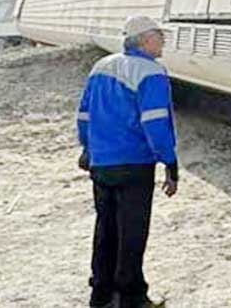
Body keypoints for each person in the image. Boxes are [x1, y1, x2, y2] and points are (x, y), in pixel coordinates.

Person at [76, 16, 178, 308]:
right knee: (132, 231)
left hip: (101, 164)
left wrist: (87, 148)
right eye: (160, 35)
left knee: (105, 228)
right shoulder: (150, 72)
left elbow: (84, 115)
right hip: (134, 164)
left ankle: (101, 294)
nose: (163, 41)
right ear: (145, 40)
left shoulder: (101, 67)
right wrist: (169, 162)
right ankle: (131, 297)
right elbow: (155, 123)